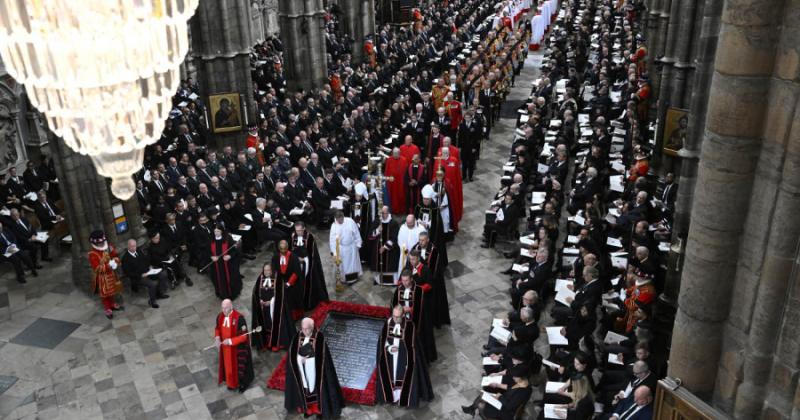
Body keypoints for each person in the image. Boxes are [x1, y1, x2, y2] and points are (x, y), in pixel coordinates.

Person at [284, 318, 345, 419]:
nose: (304, 331)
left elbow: (322, 359)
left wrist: (307, 360)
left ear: (312, 327)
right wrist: (300, 359)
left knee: (316, 390)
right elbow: (292, 354)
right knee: (305, 390)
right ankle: (308, 409)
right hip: (302, 371)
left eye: (307, 329)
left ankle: (319, 409)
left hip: (315, 372)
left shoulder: (319, 338)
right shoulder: (298, 336)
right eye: (303, 329)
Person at [376, 305, 434, 408]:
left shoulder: (409, 326)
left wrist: (409, 362)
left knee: (404, 379)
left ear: (403, 315)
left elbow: (413, 346)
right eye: (393, 316)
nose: (395, 319)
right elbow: (382, 341)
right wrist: (389, 348)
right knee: (392, 377)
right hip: (391, 359)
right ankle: (392, 397)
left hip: (405, 360)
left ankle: (404, 398)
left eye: (398, 317)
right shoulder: (389, 323)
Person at [391, 270, 437, 362]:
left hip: (418, 322)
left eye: (406, 280)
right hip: (403, 321)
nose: (404, 283)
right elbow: (393, 304)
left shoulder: (419, 291)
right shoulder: (399, 289)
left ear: (411, 279)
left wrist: (411, 310)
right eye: (403, 280)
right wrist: (400, 309)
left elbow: (424, 308)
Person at [213, 299, 255, 392]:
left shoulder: (239, 319)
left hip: (237, 349)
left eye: (226, 308)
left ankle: (242, 384)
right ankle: (231, 383)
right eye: (222, 308)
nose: (224, 310)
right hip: (226, 349)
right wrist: (217, 338)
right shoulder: (220, 317)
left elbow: (244, 337)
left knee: (240, 368)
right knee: (228, 367)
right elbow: (217, 328)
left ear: (231, 307)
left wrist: (231, 341)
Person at [250, 263, 292, 352]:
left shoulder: (277, 279)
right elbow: (255, 292)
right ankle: (266, 342)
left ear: (271, 270)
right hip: (263, 308)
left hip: (274, 308)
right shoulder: (260, 278)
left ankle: (276, 342)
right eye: (265, 270)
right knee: (266, 324)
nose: (266, 272)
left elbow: (281, 294)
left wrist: (271, 302)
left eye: (268, 270)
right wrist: (259, 300)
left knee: (274, 324)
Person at [120, 238, 169, 309]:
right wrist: (141, 275)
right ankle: (153, 301)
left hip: (147, 271)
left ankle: (160, 293)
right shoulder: (125, 259)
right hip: (138, 277)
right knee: (153, 284)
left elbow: (145, 260)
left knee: (163, 274)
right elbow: (128, 273)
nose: (134, 248)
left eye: (135, 246)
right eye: (132, 246)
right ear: (128, 247)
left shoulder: (139, 251)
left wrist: (150, 266)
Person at [291, 222, 329, 311]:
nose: (298, 232)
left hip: (308, 264)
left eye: (299, 230)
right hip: (297, 263)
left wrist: (304, 259)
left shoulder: (309, 237)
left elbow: (312, 253)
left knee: (309, 283)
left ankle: (310, 303)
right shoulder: (293, 236)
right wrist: (296, 258)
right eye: (296, 230)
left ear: (304, 229)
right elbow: (291, 250)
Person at [461, 374, 533, 419]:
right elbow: (510, 389)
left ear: (521, 378)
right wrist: (498, 389)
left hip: (506, 411)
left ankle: (481, 414)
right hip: (503, 401)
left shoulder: (522, 392)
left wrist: (499, 397)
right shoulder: (520, 383)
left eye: (515, 376)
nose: (513, 377)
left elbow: (509, 406)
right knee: (482, 395)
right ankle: (472, 409)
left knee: (481, 405)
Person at [87, 230, 123, 319]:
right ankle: (107, 308)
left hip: (112, 274)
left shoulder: (109, 247)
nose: (102, 244)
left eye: (102, 242)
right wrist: (109, 265)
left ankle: (113, 304)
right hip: (103, 278)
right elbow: (97, 268)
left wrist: (115, 261)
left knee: (113, 291)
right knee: (105, 294)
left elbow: (115, 255)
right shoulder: (92, 254)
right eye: (99, 243)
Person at [415, 185, 448, 264]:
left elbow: (437, 224)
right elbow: (415, 217)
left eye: (427, 199)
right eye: (424, 199)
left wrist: (428, 225)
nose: (425, 201)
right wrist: (419, 221)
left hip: (431, 235)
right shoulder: (418, 206)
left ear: (430, 199)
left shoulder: (435, 209)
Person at [208, 225, 242, 300]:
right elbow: (207, 251)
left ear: (222, 231)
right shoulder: (210, 239)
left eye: (218, 231)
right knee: (218, 279)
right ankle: (221, 293)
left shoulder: (228, 238)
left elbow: (234, 250)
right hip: (216, 265)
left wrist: (229, 256)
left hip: (227, 264)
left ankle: (230, 294)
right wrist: (211, 257)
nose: (216, 233)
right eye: (215, 231)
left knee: (229, 279)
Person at [272, 239, 303, 319]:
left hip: (292, 282)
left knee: (293, 295)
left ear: (287, 248)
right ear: (279, 249)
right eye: (281, 249)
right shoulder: (275, 257)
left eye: (285, 249)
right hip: (280, 280)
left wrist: (289, 283)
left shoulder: (294, 257)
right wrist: (278, 281)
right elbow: (274, 270)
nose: (283, 251)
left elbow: (296, 272)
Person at [329, 210, 362, 284]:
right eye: (339, 220)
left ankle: (354, 278)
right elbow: (332, 241)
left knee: (354, 264)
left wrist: (358, 243)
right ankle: (345, 279)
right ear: (336, 219)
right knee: (344, 266)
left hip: (352, 247)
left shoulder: (350, 221)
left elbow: (356, 232)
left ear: (343, 216)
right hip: (342, 249)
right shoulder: (334, 226)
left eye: (342, 219)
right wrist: (334, 253)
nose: (341, 221)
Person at [369, 205, 400, 285]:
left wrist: (385, 247)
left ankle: (390, 282)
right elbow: (370, 236)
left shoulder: (394, 223)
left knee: (389, 263)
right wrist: (377, 231)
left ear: (388, 213)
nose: (383, 215)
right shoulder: (377, 221)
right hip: (378, 248)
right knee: (378, 263)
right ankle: (378, 280)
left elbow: (394, 238)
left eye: (384, 213)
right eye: (381, 213)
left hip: (390, 249)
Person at [0, 218, 37, 283]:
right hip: (5, 252)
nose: (0, 229)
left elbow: (14, 237)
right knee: (16, 259)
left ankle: (32, 269)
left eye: (1, 227)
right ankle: (20, 276)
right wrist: (7, 249)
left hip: (13, 247)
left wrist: (14, 244)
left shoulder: (6, 229)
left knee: (24, 255)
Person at [395, 214, 426, 281]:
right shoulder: (403, 227)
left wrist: (413, 254)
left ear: (414, 221)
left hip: (416, 255)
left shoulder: (421, 229)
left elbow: (423, 243)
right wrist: (406, 252)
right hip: (405, 254)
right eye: (407, 223)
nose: (408, 225)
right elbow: (400, 241)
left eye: (410, 223)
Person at [384, 148, 409, 214]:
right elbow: (386, 171)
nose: (395, 155)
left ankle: (402, 210)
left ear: (399, 153)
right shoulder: (389, 160)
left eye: (396, 154)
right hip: (392, 183)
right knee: (393, 197)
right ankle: (394, 210)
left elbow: (407, 172)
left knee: (401, 196)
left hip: (401, 183)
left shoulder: (404, 160)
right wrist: (387, 179)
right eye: (394, 154)